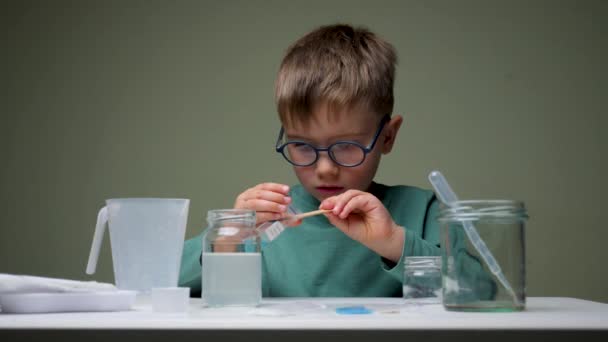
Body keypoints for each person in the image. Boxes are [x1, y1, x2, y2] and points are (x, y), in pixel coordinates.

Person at [179, 23, 443, 297]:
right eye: (302, 146)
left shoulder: (423, 212)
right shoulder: (263, 222)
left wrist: (394, 242)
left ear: (387, 137)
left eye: (346, 146)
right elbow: (157, 283)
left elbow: (475, 291)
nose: (325, 169)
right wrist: (227, 240)